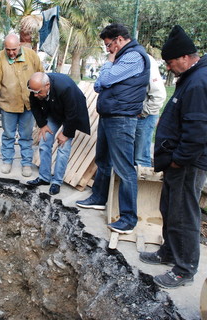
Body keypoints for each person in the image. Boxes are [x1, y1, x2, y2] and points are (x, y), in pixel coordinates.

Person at [139, 25, 207, 289]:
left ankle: (184, 269)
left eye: (169, 62)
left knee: (183, 215)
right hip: (177, 161)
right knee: (169, 208)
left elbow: (198, 129)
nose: (168, 67)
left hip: (188, 163)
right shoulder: (191, 77)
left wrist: (179, 158)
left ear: (184, 57)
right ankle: (169, 252)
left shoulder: (199, 82)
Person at [76, 23, 150, 234]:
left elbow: (105, 79)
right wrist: (106, 76)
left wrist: (109, 63)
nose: (108, 50)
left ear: (119, 40)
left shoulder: (134, 56)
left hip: (122, 118)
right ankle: (99, 198)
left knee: (124, 169)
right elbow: (98, 85)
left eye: (109, 45)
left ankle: (128, 218)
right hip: (110, 116)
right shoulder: (123, 57)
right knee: (103, 160)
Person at [0, 34, 43, 177]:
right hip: (8, 105)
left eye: (14, 49)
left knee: (26, 136)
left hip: (28, 105)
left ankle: (26, 163)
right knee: (8, 135)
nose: (11, 53)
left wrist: (42, 100)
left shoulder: (31, 56)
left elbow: (41, 75)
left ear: (19, 46)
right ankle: (7, 161)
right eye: (8, 49)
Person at [26, 72, 90, 195]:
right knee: (45, 141)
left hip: (72, 113)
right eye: (33, 92)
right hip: (54, 110)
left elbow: (73, 112)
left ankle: (57, 182)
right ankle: (44, 177)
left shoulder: (65, 88)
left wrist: (66, 133)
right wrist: (42, 125)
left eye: (38, 92)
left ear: (47, 85)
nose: (35, 95)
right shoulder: (35, 86)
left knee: (63, 147)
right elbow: (34, 106)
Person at [134, 54, 166, 167]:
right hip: (132, 115)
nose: (108, 49)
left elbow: (159, 95)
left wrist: (143, 112)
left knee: (140, 158)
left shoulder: (144, 59)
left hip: (144, 116)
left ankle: (143, 185)